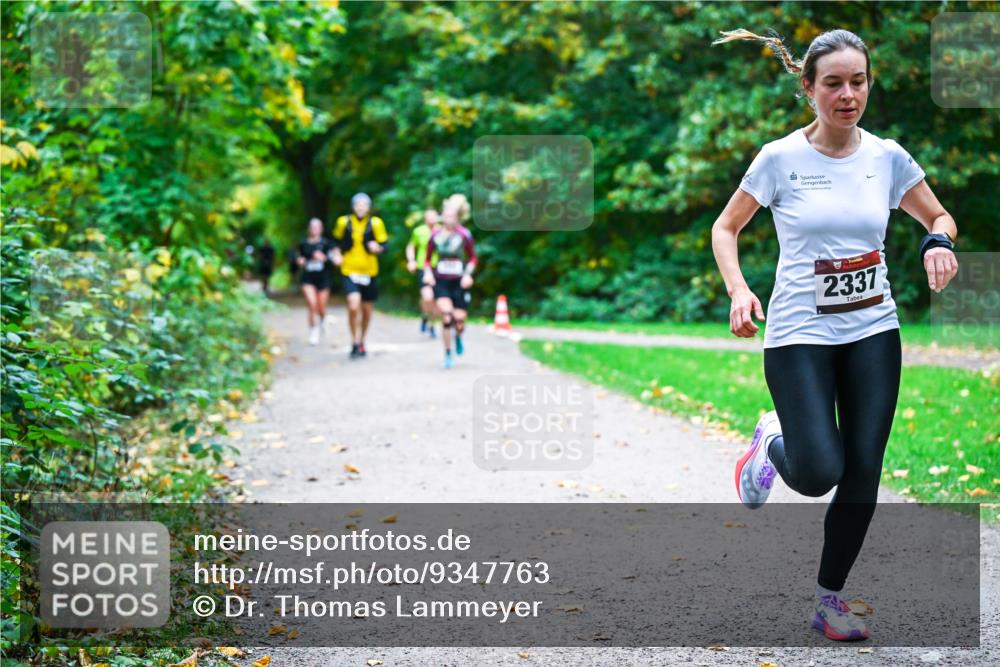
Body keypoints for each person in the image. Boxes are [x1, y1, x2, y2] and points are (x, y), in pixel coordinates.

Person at [710, 28, 958, 642]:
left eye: (859, 81)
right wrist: (741, 291)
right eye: (834, 84)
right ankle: (772, 442)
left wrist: (938, 242)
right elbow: (725, 228)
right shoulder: (779, 159)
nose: (848, 95)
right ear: (809, 89)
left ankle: (830, 599)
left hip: (874, 328)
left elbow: (938, 214)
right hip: (798, 332)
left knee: (864, 469)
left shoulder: (888, 157)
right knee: (819, 469)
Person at [332, 193, 389, 358]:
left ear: (368, 207)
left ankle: (362, 340)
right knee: (353, 304)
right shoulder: (343, 222)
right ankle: (354, 341)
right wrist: (336, 254)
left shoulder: (376, 223)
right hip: (349, 269)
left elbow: (385, 246)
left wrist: (377, 248)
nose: (360, 207)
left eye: (364, 205)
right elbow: (335, 242)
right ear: (353, 206)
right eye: (358, 204)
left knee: (367, 311)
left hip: (369, 271)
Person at [423, 194, 477, 369]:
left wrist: (468, 274)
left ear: (457, 218)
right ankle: (447, 353)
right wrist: (428, 273)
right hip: (442, 281)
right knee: (447, 317)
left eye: (452, 216)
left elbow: (472, 258)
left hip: (459, 282)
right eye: (445, 216)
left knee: (459, 320)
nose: (448, 219)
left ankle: (459, 335)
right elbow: (427, 259)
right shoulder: (436, 236)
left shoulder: (464, 235)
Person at [296, 218, 336, 346]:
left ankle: (323, 320)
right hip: (308, 278)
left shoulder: (326, 244)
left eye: (317, 227)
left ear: (321, 229)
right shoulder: (303, 244)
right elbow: (298, 258)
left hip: (323, 278)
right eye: (313, 227)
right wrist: (300, 261)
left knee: (321, 307)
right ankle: (313, 332)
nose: (315, 229)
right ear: (309, 228)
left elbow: (334, 260)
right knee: (312, 304)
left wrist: (324, 258)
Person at [406, 208, 440, 338]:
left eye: (434, 216)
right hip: (423, 267)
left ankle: (431, 324)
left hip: (439, 269)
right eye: (429, 216)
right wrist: (411, 261)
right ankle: (425, 316)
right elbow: (410, 246)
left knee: (436, 300)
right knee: (427, 297)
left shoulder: (442, 231)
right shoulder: (418, 231)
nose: (431, 219)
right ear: (425, 218)